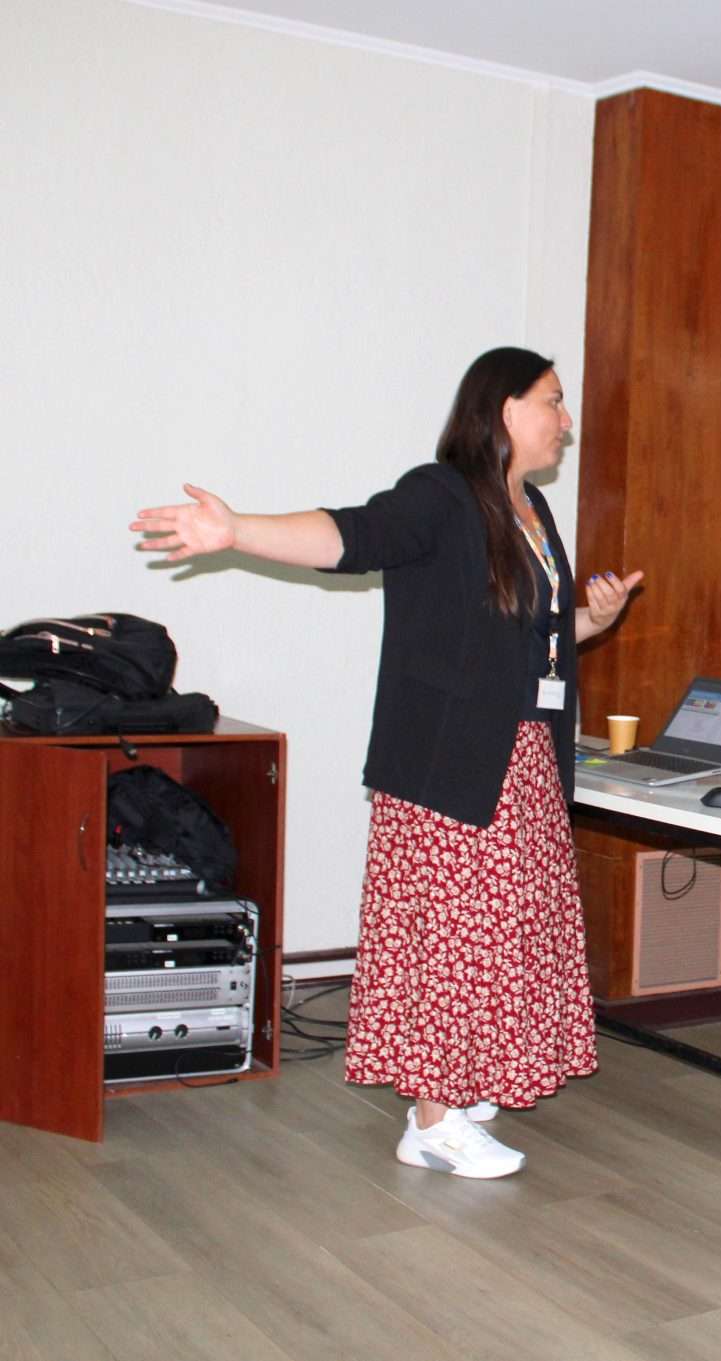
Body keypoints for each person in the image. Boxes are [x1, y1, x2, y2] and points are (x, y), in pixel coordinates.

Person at [130, 347, 643, 1179]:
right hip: (450, 763)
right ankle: (433, 1120)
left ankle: (457, 1084)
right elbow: (351, 535)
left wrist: (592, 617)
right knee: (450, 937)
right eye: (554, 400)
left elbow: (535, 645)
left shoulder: (535, 510)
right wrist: (238, 531)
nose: (566, 419)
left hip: (523, 760)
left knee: (504, 935)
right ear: (505, 409)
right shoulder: (442, 495)